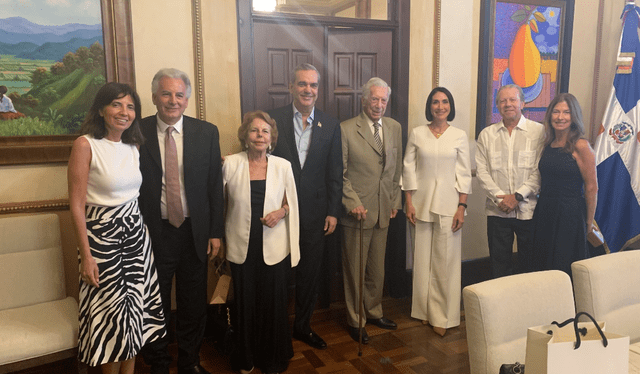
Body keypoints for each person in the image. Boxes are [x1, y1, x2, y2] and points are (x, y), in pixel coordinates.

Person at [68, 82, 166, 373]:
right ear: (101, 109)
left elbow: (134, 196)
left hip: (135, 239)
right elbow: (76, 204)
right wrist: (86, 256)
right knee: (111, 321)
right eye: (117, 104)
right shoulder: (85, 145)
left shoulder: (133, 146)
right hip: (100, 242)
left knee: (133, 317)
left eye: (131, 106)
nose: (125, 112)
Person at [138, 68, 223, 374]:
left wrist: (216, 233)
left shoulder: (206, 132)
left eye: (179, 95)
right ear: (154, 98)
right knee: (154, 302)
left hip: (194, 232)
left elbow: (215, 185)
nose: (172, 101)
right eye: (165, 94)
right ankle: (158, 361)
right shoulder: (137, 131)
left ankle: (190, 360)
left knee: (192, 303)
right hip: (153, 233)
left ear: (187, 100)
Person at [267, 63, 342, 350]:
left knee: (309, 273)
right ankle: (277, 328)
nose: (307, 90)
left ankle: (302, 326)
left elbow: (335, 172)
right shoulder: (273, 120)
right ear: (291, 87)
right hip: (279, 212)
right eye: (302, 84)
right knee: (279, 272)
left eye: (312, 85)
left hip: (315, 214)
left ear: (318, 90)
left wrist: (333, 211)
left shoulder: (330, 125)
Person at [223, 110, 300, 374]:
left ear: (271, 138)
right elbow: (218, 204)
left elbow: (292, 204)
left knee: (273, 304)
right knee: (244, 304)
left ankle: (273, 359)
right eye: (254, 131)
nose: (259, 135)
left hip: (274, 247)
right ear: (245, 136)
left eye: (265, 131)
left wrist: (281, 212)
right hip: (241, 245)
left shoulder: (283, 166)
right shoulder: (230, 163)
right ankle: (246, 358)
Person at [402, 87, 472, 337]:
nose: (440, 106)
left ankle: (443, 315)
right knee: (421, 260)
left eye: (444, 102)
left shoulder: (459, 136)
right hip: (420, 204)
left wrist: (462, 207)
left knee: (445, 262)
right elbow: (408, 167)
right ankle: (423, 311)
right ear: (429, 106)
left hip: (450, 205)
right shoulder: (418, 133)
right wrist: (408, 202)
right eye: (435, 102)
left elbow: (464, 174)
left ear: (450, 106)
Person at [340, 77, 402, 344]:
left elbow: (395, 168)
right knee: (355, 269)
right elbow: (340, 173)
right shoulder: (345, 129)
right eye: (374, 99)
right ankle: (356, 320)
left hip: (384, 209)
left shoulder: (394, 127)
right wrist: (352, 201)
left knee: (377, 269)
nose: (379, 105)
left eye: (383, 100)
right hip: (358, 211)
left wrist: (395, 201)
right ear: (363, 100)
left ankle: (374, 311)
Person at [475, 84, 545, 277]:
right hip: (498, 211)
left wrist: (517, 196)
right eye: (503, 101)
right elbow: (482, 172)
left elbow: (540, 171)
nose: (508, 104)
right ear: (498, 106)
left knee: (530, 265)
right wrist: (501, 199)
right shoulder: (486, 135)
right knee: (499, 265)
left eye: (512, 100)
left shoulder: (538, 132)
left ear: (522, 103)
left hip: (529, 210)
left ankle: (527, 304)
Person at [531, 93, 597, 275]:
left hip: (569, 214)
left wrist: (588, 224)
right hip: (545, 210)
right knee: (543, 262)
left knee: (563, 263)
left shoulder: (581, 145)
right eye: (556, 112)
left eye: (566, 112)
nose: (560, 117)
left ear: (574, 116)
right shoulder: (549, 143)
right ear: (550, 115)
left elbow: (592, 188)